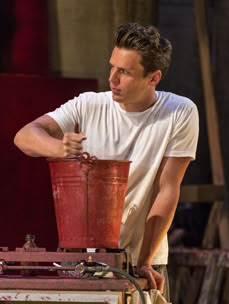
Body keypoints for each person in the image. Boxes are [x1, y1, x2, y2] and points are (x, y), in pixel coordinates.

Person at [14, 22, 199, 300]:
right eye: (112, 66)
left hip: (143, 259)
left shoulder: (179, 112)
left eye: (124, 72)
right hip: (83, 263)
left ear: (154, 77)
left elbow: (167, 189)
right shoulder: (89, 104)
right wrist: (60, 147)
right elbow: (25, 136)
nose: (112, 78)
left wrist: (144, 260)